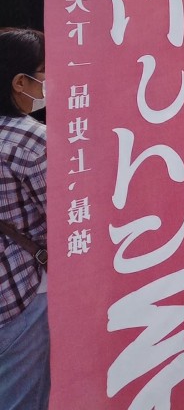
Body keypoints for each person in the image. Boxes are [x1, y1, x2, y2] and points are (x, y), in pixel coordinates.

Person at [0, 27, 49, 410]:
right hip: (24, 295)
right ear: (20, 82)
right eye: (46, 71)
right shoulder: (33, 140)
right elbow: (68, 223)